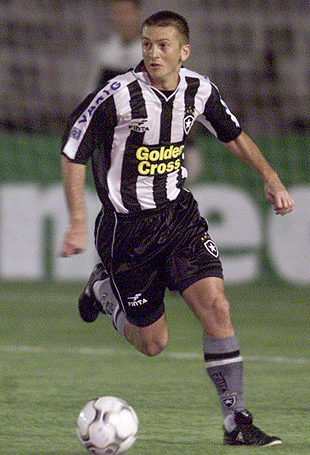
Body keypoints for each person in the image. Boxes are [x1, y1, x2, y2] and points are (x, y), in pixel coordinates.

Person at [60, 11, 294, 446]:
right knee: (153, 344)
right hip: (126, 231)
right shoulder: (116, 96)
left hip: (179, 217)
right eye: (147, 44)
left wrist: (271, 177)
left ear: (184, 52)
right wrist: (76, 220)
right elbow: (73, 152)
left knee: (216, 307)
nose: (153, 52)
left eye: (163, 45)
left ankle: (236, 421)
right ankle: (103, 291)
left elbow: (235, 136)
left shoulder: (199, 90)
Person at [88, 0, 144, 92]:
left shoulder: (152, 51)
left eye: (127, 12)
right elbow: (93, 94)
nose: (123, 19)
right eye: (118, 13)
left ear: (138, 13)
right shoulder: (104, 53)